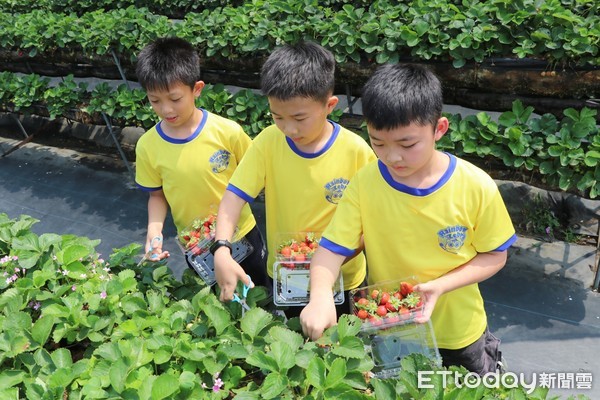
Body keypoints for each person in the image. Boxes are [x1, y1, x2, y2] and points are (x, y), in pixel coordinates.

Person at [299, 63, 517, 375]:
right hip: (392, 330)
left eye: (407, 144)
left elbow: (495, 255)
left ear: (439, 129)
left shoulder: (475, 186)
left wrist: (440, 286)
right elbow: (332, 248)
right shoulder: (365, 182)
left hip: (459, 334)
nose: (392, 157)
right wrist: (320, 296)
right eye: (378, 142)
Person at [212, 41, 376, 315]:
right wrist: (221, 248)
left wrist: (328, 261)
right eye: (277, 117)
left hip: (343, 277)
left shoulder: (356, 151)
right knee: (291, 335)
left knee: (338, 344)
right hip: (286, 271)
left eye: (300, 118)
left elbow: (370, 222)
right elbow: (233, 197)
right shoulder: (268, 143)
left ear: (329, 105)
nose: (289, 128)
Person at [134, 37, 267, 287]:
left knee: (259, 289)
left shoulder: (227, 132)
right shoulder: (148, 146)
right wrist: (154, 231)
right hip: (197, 245)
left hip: (242, 234)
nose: (165, 109)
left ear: (196, 89)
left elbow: (255, 178)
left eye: (175, 99)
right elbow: (157, 195)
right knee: (218, 299)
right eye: (155, 100)